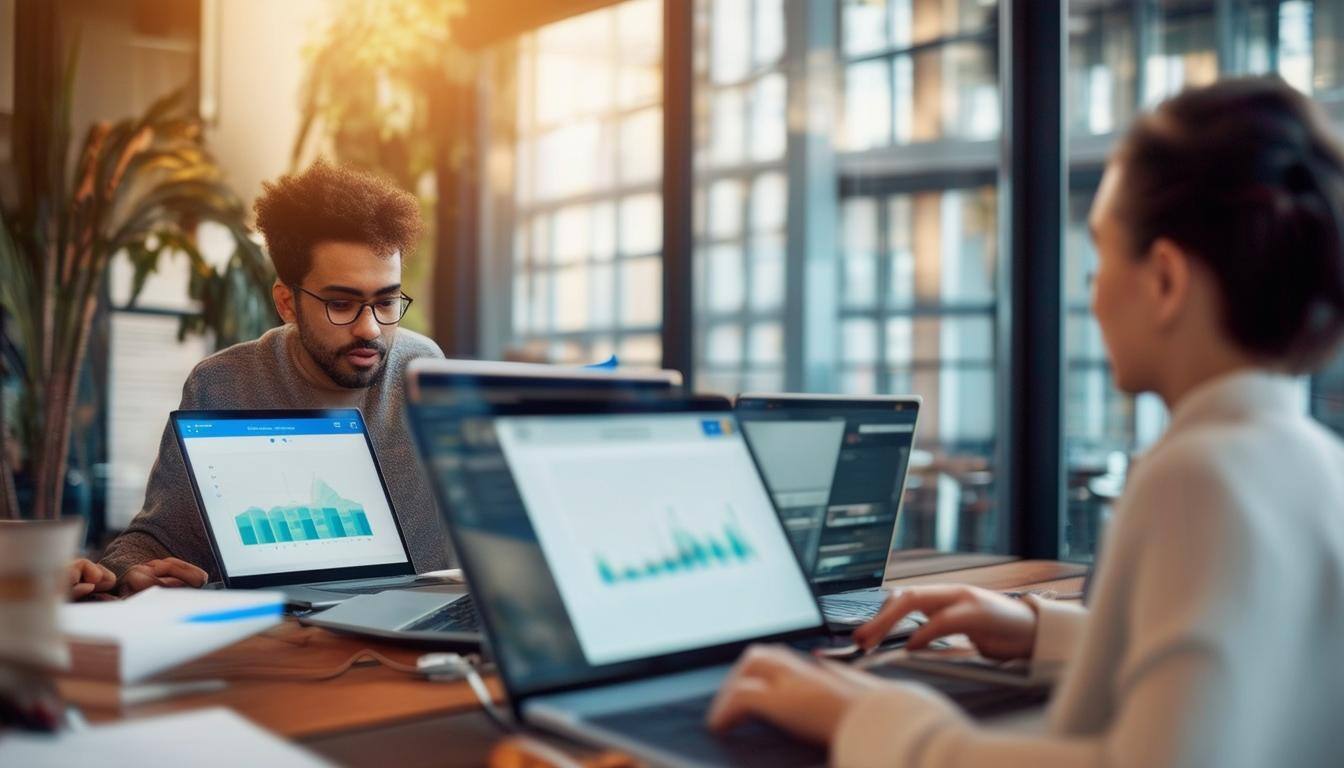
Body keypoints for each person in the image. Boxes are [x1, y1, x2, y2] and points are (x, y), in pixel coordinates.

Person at [709, 76, 1344, 767]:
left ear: (1164, 280)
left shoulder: (1202, 473)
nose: (1093, 293)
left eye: (1100, 255)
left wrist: (870, 717)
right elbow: (1236, 676)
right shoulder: (1312, 459)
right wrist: (1038, 630)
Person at [94, 161, 449, 596]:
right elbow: (158, 538)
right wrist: (131, 569)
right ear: (286, 302)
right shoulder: (223, 383)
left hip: (411, 631)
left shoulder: (423, 372)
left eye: (387, 301)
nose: (371, 329)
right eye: (341, 304)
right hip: (274, 635)